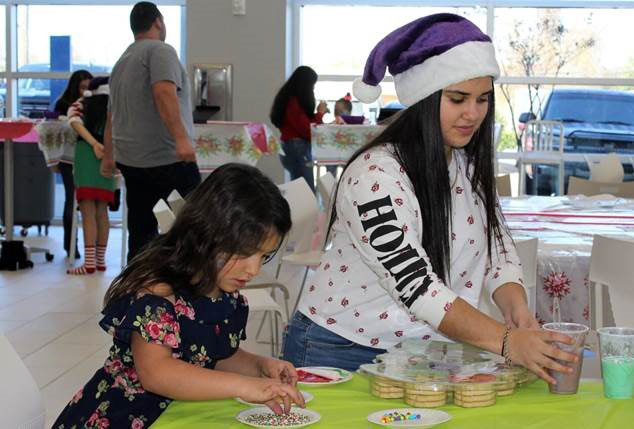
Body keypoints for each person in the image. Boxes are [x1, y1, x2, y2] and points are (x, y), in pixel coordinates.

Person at [282, 14, 578, 385]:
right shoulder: (375, 177)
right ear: (423, 98)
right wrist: (507, 342)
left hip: (424, 353)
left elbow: (497, 251)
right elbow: (418, 287)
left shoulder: (467, 166)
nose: (473, 113)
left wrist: (516, 307)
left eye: (482, 99)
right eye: (458, 99)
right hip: (339, 349)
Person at [53, 164, 305, 428]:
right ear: (207, 233)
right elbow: (157, 372)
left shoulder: (221, 290)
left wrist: (259, 366)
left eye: (263, 256)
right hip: (121, 417)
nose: (253, 269)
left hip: (178, 416)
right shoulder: (158, 292)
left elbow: (212, 355)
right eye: (242, 252)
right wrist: (246, 386)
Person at [101, 1, 201, 261]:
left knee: (141, 231)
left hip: (132, 161)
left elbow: (112, 113)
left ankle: (137, 291)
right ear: (158, 21)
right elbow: (164, 93)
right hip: (167, 159)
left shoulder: (122, 61)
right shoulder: (160, 51)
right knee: (194, 227)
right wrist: (181, 140)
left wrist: (109, 155)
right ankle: (192, 289)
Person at [66, 77, 115, 275]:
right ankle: (100, 261)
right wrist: (105, 148)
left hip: (86, 155)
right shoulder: (115, 105)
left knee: (87, 212)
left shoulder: (82, 104)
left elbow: (73, 120)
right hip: (108, 156)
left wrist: (93, 144)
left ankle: (89, 263)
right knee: (102, 211)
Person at [53, 69, 93, 259]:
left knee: (88, 203)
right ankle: (71, 245)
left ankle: (87, 248)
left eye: (88, 87)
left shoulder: (93, 105)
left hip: (87, 158)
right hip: (68, 158)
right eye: (82, 87)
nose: (85, 91)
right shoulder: (63, 105)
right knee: (71, 201)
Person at [270, 65, 327, 190]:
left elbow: (305, 124)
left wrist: (318, 114)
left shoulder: (290, 101)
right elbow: (307, 130)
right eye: (312, 85)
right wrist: (320, 113)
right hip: (297, 148)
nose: (312, 89)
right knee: (306, 190)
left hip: (291, 146)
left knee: (298, 189)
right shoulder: (294, 103)